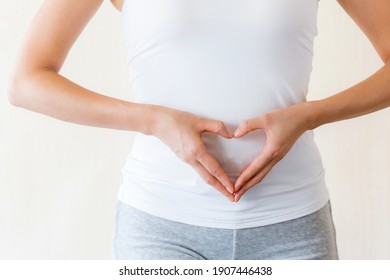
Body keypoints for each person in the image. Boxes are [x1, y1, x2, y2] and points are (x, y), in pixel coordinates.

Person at [7, 0, 390, 260]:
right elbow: (27, 81)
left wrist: (310, 114)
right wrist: (153, 119)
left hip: (291, 225)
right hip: (162, 227)